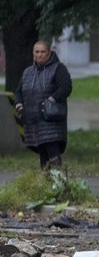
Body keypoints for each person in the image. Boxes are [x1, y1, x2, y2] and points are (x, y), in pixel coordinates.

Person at [14, 40, 73, 170]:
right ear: (33, 54)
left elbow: (66, 87)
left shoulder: (58, 68)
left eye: (43, 52)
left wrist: (51, 99)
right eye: (37, 52)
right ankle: (47, 185)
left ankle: (59, 182)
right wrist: (19, 105)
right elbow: (19, 92)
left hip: (51, 120)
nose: (39, 55)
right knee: (42, 154)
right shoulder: (28, 72)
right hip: (33, 121)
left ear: (49, 53)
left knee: (53, 152)